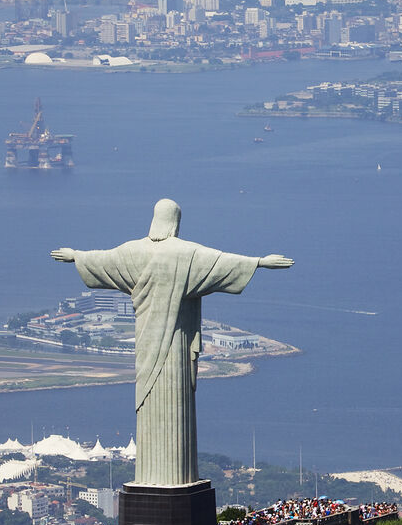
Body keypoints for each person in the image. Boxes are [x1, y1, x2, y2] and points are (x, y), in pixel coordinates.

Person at [51, 199, 292, 486]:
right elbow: (223, 263)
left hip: (145, 346)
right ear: (176, 221)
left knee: (149, 402)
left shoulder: (132, 252)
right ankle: (175, 478)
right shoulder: (186, 254)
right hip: (175, 350)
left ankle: (153, 478)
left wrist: (76, 255)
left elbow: (102, 259)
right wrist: (260, 262)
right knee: (175, 408)